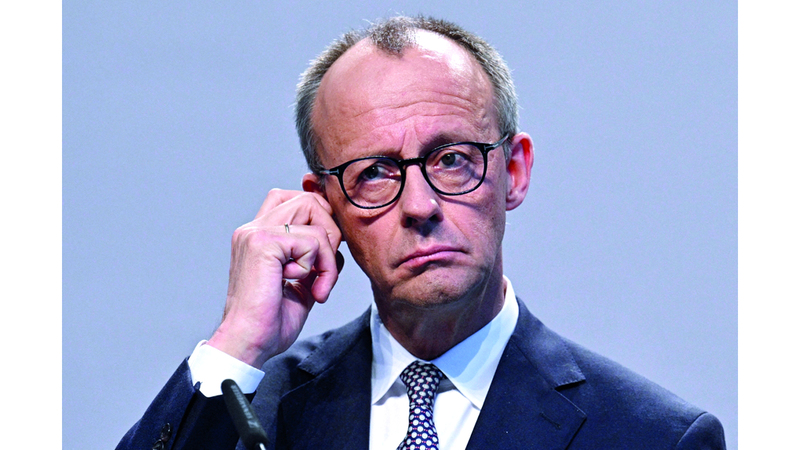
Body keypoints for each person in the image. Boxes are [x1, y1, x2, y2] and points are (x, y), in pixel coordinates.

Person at [117, 15, 726, 450]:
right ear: (324, 204)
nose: (419, 205)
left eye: (452, 159)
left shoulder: (652, 437)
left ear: (513, 172)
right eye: (374, 172)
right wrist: (238, 344)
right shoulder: (254, 409)